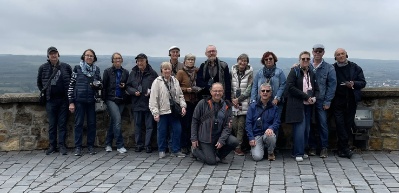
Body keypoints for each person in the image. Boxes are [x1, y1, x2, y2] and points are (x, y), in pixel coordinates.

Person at [191, 83, 239, 165]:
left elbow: (228, 126)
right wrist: (194, 138)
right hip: (205, 137)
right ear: (211, 92)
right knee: (211, 162)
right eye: (215, 91)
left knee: (234, 141)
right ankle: (195, 151)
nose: (217, 93)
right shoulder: (202, 103)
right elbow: (195, 121)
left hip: (219, 135)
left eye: (220, 91)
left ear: (223, 92)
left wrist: (222, 140)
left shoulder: (227, 106)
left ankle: (218, 155)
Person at [331, 48, 366, 159]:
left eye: (342, 54)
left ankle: (342, 149)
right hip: (337, 101)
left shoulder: (355, 67)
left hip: (351, 100)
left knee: (347, 124)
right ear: (335, 57)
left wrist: (353, 84)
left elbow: (363, 82)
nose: (341, 56)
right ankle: (345, 148)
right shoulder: (332, 68)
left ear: (346, 55)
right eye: (338, 54)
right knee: (340, 124)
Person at [37, 46, 72, 155]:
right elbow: (39, 83)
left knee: (62, 124)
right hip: (50, 100)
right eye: (51, 53)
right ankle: (52, 146)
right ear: (48, 56)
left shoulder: (66, 67)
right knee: (52, 124)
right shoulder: (43, 68)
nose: (53, 55)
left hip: (63, 100)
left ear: (58, 54)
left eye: (55, 53)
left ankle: (62, 145)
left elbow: (71, 82)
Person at [285, 51, 319, 162]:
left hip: (309, 105)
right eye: (303, 59)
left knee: (306, 129)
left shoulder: (312, 72)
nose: (305, 61)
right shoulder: (294, 71)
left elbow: (316, 88)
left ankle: (300, 150)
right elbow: (290, 87)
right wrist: (305, 96)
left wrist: (314, 97)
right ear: (299, 60)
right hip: (297, 105)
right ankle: (298, 153)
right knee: (299, 129)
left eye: (308, 59)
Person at [149, 62, 187, 158]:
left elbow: (180, 95)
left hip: (174, 111)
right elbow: (153, 98)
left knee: (177, 130)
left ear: (171, 70)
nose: (167, 71)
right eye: (165, 69)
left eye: (168, 69)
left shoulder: (175, 81)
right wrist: (155, 112)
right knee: (162, 131)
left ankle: (176, 150)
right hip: (162, 111)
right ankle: (162, 150)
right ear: (161, 70)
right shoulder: (157, 82)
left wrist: (183, 106)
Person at [68, 49, 102, 156]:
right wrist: (71, 102)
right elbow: (71, 86)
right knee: (78, 124)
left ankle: (90, 146)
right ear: (83, 57)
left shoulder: (97, 70)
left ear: (94, 58)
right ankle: (78, 147)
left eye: (91, 56)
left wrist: (98, 85)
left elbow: (100, 85)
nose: (89, 57)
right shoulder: (77, 69)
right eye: (87, 55)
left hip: (92, 101)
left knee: (92, 124)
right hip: (79, 101)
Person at [307, 44, 337, 158]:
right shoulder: (307, 66)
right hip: (308, 100)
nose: (317, 53)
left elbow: (332, 85)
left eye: (320, 51)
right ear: (312, 52)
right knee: (309, 124)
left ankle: (324, 147)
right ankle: (312, 147)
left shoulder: (329, 68)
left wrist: (328, 101)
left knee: (323, 124)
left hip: (321, 101)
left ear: (323, 52)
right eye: (316, 51)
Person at [126, 53, 158, 153]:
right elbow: (128, 86)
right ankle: (138, 144)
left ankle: (148, 145)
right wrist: (133, 92)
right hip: (136, 103)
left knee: (149, 126)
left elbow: (157, 87)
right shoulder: (133, 73)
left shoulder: (152, 73)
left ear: (146, 61)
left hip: (149, 103)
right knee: (138, 125)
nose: (140, 63)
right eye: (138, 61)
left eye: (142, 61)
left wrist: (151, 92)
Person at [102, 52, 129, 153]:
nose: (117, 60)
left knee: (114, 122)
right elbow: (104, 86)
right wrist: (104, 100)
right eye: (115, 59)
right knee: (117, 121)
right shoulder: (107, 71)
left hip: (121, 100)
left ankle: (108, 144)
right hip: (111, 99)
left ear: (121, 60)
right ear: (112, 60)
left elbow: (128, 85)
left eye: (119, 58)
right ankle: (119, 145)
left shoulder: (125, 72)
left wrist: (124, 86)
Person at [246, 83, 280, 161]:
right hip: (256, 135)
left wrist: (271, 128)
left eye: (267, 91)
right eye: (263, 90)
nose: (265, 92)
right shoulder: (252, 107)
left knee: (271, 136)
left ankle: (270, 152)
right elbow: (248, 123)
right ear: (259, 92)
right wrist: (251, 138)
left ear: (270, 93)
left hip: (267, 134)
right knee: (257, 157)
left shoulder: (274, 108)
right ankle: (257, 149)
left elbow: (277, 122)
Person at [176, 53, 201, 154]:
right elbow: (176, 87)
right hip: (185, 102)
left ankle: (193, 144)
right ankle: (184, 145)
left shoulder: (196, 71)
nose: (191, 61)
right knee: (185, 124)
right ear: (185, 61)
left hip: (195, 101)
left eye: (192, 60)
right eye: (189, 60)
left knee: (193, 124)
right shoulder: (181, 72)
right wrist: (187, 89)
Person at [250, 51, 286, 118]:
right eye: (266, 59)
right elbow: (254, 87)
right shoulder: (259, 73)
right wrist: (253, 100)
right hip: (261, 103)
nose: (268, 60)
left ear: (274, 60)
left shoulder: (279, 72)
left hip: (276, 103)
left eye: (270, 59)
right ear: (263, 61)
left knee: (275, 122)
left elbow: (283, 85)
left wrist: (277, 98)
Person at [230, 54, 253, 156]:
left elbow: (249, 89)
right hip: (234, 104)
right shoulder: (232, 72)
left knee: (241, 126)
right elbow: (230, 86)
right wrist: (233, 99)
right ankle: (238, 144)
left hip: (244, 103)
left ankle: (237, 147)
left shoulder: (250, 73)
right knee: (234, 125)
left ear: (247, 63)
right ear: (237, 61)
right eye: (241, 60)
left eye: (245, 61)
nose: (242, 63)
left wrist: (238, 99)